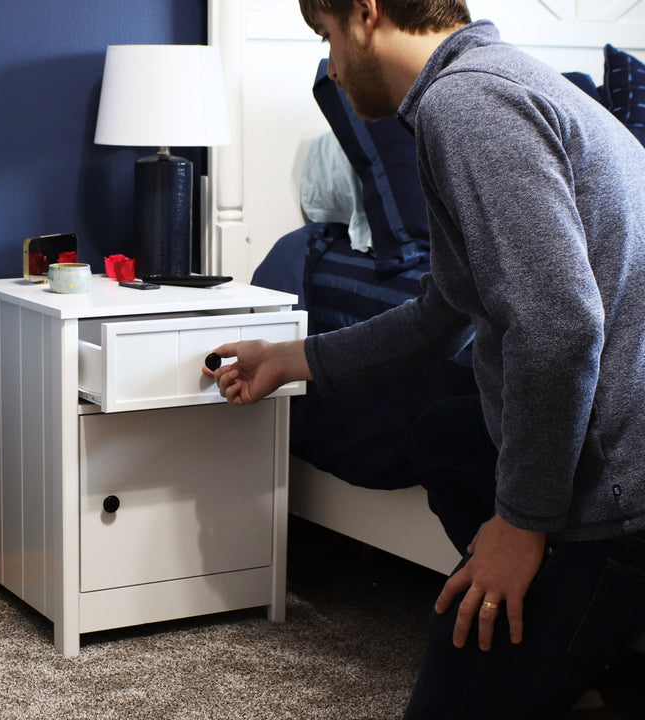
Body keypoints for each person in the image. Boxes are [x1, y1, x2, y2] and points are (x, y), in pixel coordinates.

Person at [203, 1, 645, 717]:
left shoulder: (466, 103)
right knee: (445, 432)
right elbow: (445, 311)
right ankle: (583, 650)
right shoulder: (500, 78)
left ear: (366, 13)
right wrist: (295, 359)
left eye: (327, 38)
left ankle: (572, 608)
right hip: (624, 444)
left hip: (620, 495)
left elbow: (559, 328)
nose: (334, 71)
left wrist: (521, 525)